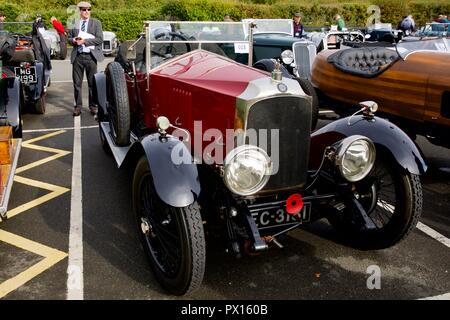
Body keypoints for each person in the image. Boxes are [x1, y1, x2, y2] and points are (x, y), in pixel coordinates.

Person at [68, 1, 104, 116]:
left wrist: (85, 41)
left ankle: (93, 106)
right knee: (77, 84)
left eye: (89, 9)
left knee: (92, 83)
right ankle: (78, 107)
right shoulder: (73, 22)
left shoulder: (96, 23)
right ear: (79, 11)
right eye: (84, 10)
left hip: (91, 56)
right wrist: (73, 40)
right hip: (78, 56)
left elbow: (99, 39)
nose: (87, 12)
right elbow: (68, 38)